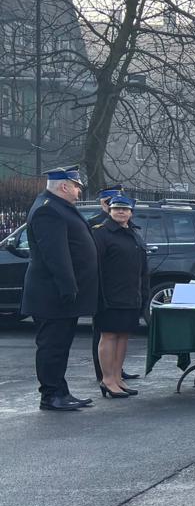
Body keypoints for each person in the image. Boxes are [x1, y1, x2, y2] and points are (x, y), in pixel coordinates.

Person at [22, 166, 100, 411]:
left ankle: (60, 391)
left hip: (61, 294)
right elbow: (55, 255)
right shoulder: (48, 210)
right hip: (52, 294)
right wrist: (68, 287)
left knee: (60, 346)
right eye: (76, 186)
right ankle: (51, 395)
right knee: (52, 347)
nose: (78, 192)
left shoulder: (58, 206)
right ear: (64, 186)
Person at [90, 193, 148, 399]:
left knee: (123, 335)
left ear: (131, 212)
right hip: (109, 294)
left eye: (125, 209)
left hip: (131, 294)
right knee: (109, 335)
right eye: (116, 208)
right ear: (110, 210)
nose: (121, 212)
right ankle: (107, 379)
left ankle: (117, 377)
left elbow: (141, 267)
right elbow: (94, 266)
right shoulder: (101, 233)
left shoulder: (133, 232)